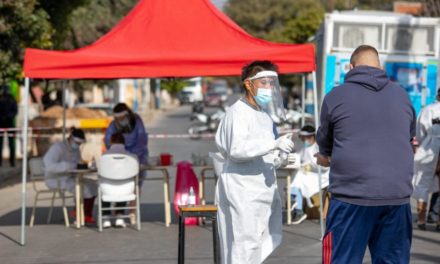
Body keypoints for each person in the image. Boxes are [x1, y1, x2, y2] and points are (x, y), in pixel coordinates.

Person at [316, 45, 415, 263]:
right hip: (396, 197)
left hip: (351, 196)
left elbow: (325, 144)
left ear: (350, 67)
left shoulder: (336, 96)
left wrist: (325, 156)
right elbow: (409, 140)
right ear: (380, 66)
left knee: (341, 259)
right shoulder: (402, 95)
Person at [215, 60, 294, 264]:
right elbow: (237, 150)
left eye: (271, 83)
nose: (269, 88)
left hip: (261, 189)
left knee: (261, 240)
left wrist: (280, 157)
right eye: (264, 83)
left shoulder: (264, 116)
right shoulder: (237, 113)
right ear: (249, 84)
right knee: (244, 243)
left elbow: (265, 154)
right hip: (242, 189)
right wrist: (272, 144)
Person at [104, 103, 148, 224]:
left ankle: (132, 212)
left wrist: (129, 156)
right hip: (120, 157)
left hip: (137, 157)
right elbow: (108, 140)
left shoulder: (137, 122)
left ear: (127, 115)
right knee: (119, 182)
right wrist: (120, 153)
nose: (119, 121)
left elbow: (142, 140)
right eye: (117, 119)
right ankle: (118, 212)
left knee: (136, 185)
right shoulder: (113, 125)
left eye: (121, 119)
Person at [43, 128, 97, 224]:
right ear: (70, 138)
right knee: (83, 188)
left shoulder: (76, 150)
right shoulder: (57, 148)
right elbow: (48, 165)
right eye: (76, 143)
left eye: (79, 144)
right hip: (56, 179)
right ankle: (79, 214)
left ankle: (86, 214)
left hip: (70, 177)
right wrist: (66, 166)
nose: (77, 145)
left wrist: (85, 166)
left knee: (93, 185)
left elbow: (77, 162)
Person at [289, 125, 329, 225]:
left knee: (297, 177)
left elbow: (325, 166)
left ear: (311, 136)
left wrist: (310, 166)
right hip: (306, 174)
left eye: (304, 137)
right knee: (296, 176)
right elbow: (297, 158)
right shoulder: (303, 147)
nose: (302, 139)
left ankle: (297, 208)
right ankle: (297, 207)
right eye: (301, 137)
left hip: (321, 176)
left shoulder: (318, 147)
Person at [412, 89, 440, 230]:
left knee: (422, 184)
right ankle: (438, 222)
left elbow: (419, 131)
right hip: (433, 147)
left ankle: (421, 220)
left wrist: (424, 144)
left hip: (430, 146)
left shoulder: (428, 109)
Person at [101, 132, 138, 228]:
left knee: (104, 185)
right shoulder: (132, 158)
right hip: (127, 190)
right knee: (123, 183)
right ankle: (119, 216)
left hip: (107, 190)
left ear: (111, 142)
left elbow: (94, 167)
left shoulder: (103, 158)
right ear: (124, 142)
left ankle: (105, 218)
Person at [0, 84, 18, 167]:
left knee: (12, 144)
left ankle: (12, 162)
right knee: (1, 144)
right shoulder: (2, 99)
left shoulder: (12, 100)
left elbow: (15, 111)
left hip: (10, 123)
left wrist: (7, 116)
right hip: (3, 123)